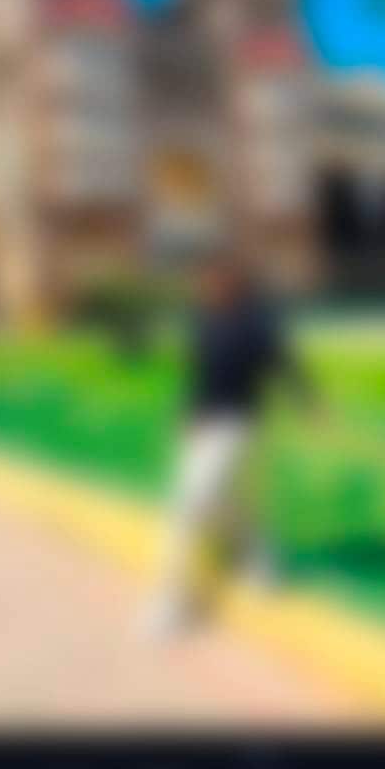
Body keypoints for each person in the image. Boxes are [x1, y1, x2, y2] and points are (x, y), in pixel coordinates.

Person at [145, 250, 314, 637]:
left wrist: (309, 404)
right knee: (230, 503)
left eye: (217, 278)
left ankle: (174, 601)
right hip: (205, 429)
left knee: (195, 506)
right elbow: (197, 374)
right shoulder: (201, 319)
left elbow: (283, 363)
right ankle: (261, 565)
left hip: (241, 427)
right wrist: (185, 417)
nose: (207, 285)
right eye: (203, 278)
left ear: (235, 281)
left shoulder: (256, 322)